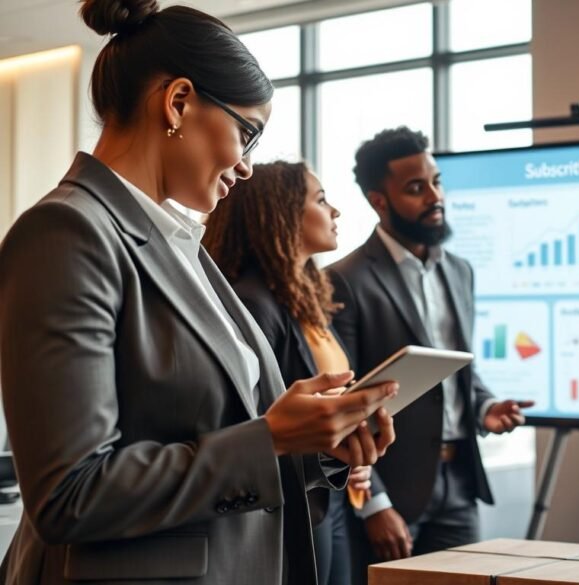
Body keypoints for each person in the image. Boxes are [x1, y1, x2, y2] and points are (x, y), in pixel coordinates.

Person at [0, 2, 397, 584]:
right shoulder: (66, 233)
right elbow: (69, 495)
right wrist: (271, 438)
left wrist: (314, 442)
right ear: (178, 101)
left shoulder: (181, 243)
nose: (247, 168)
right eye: (247, 133)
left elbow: (211, 437)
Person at [325, 127, 533, 582]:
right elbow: (345, 401)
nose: (434, 196)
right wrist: (373, 503)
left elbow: (459, 370)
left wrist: (484, 407)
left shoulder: (459, 271)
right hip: (391, 487)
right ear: (379, 201)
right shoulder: (345, 279)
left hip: (460, 481)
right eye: (416, 188)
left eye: (436, 182)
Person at [204, 161, 382, 585]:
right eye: (321, 200)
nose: (335, 211)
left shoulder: (305, 297)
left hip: (328, 492)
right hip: (291, 500)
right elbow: (255, 421)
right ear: (279, 213)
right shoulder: (254, 304)